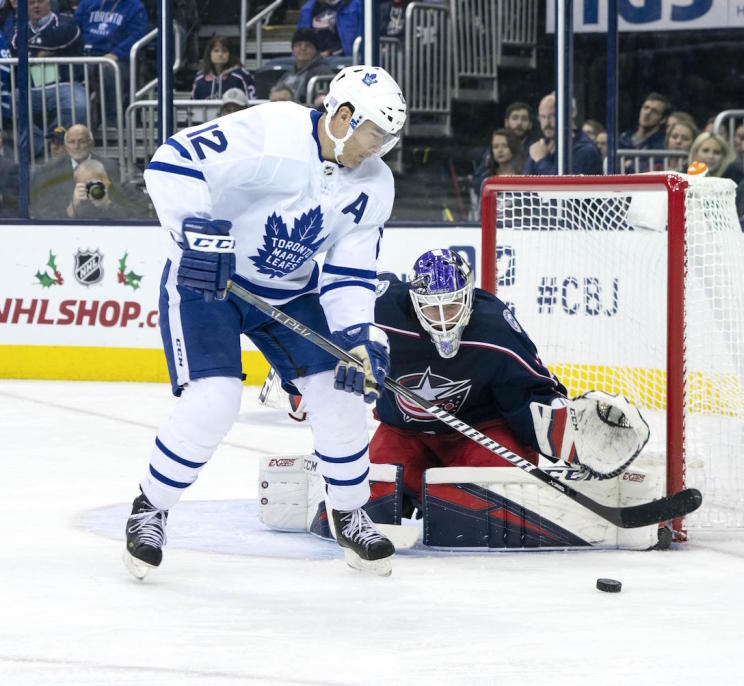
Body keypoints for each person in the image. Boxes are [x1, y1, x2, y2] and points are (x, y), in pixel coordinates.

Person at [122, 66, 407, 579]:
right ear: (343, 116)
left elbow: (347, 272)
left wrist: (357, 337)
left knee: (340, 391)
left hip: (292, 293)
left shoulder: (374, 184)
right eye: (374, 134)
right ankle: (150, 510)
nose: (379, 147)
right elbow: (172, 162)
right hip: (210, 282)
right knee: (214, 400)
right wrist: (199, 237)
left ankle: (348, 513)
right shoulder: (273, 130)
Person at [268, 249, 650, 520]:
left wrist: (568, 431)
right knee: (369, 491)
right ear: (414, 301)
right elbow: (328, 326)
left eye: (451, 306)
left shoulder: (495, 328)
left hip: (479, 432)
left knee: (494, 488)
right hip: (405, 433)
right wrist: (299, 383)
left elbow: (532, 394)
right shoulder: (381, 312)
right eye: (431, 307)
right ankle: (412, 497)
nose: (443, 318)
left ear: (468, 297)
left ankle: (447, 499)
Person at [10, 0, 87, 151]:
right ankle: (42, 147)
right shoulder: (19, 28)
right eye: (31, 3)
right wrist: (41, 51)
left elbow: (62, 38)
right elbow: (14, 46)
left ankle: (55, 139)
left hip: (65, 85)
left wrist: (30, 49)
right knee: (8, 103)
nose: (36, 6)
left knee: (79, 104)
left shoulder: (65, 22)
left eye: (40, 1)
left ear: (49, 3)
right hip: (32, 90)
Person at [74, 0, 147, 121]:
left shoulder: (135, 6)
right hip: (86, 55)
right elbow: (75, 28)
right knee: (68, 67)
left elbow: (136, 36)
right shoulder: (87, 4)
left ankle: (111, 119)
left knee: (108, 69)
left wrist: (116, 54)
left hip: (118, 59)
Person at [29, 123, 120, 217]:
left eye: (82, 141)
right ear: (66, 146)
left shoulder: (110, 166)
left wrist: (106, 205)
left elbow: (122, 207)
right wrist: (71, 209)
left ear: (91, 144)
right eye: (72, 142)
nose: (76, 146)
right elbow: (41, 211)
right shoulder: (49, 170)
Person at [523, 91, 602, 175]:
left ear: (572, 113)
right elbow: (524, 184)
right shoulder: (542, 147)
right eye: (542, 117)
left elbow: (565, 186)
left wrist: (541, 161)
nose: (546, 123)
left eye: (553, 116)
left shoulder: (586, 150)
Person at [65, 158, 143, 218]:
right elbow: (60, 226)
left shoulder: (123, 193)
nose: (91, 187)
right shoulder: (70, 198)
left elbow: (135, 218)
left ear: (106, 181)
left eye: (94, 182)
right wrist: (74, 205)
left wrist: (107, 205)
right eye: (86, 184)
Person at [190, 35, 256, 101]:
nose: (220, 54)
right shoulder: (200, 77)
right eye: (216, 51)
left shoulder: (242, 75)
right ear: (209, 54)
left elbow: (251, 103)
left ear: (230, 54)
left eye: (224, 51)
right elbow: (192, 105)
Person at [275, 28, 332, 104]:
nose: (303, 48)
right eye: (298, 45)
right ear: (293, 49)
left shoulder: (323, 73)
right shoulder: (287, 75)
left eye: (308, 45)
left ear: (316, 49)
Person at [616, 93, 670, 166]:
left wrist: (631, 165)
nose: (647, 113)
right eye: (645, 107)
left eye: (654, 111)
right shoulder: (623, 138)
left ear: (663, 119)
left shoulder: (662, 143)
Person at [472, 128, 524, 202]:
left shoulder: (524, 175)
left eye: (505, 146)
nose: (500, 150)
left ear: (513, 148)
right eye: (496, 147)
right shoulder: (486, 177)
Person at [297, 0, 362, 58]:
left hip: (345, 59)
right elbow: (301, 38)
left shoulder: (356, 5)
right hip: (313, 61)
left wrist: (330, 52)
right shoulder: (308, 9)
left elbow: (359, 38)